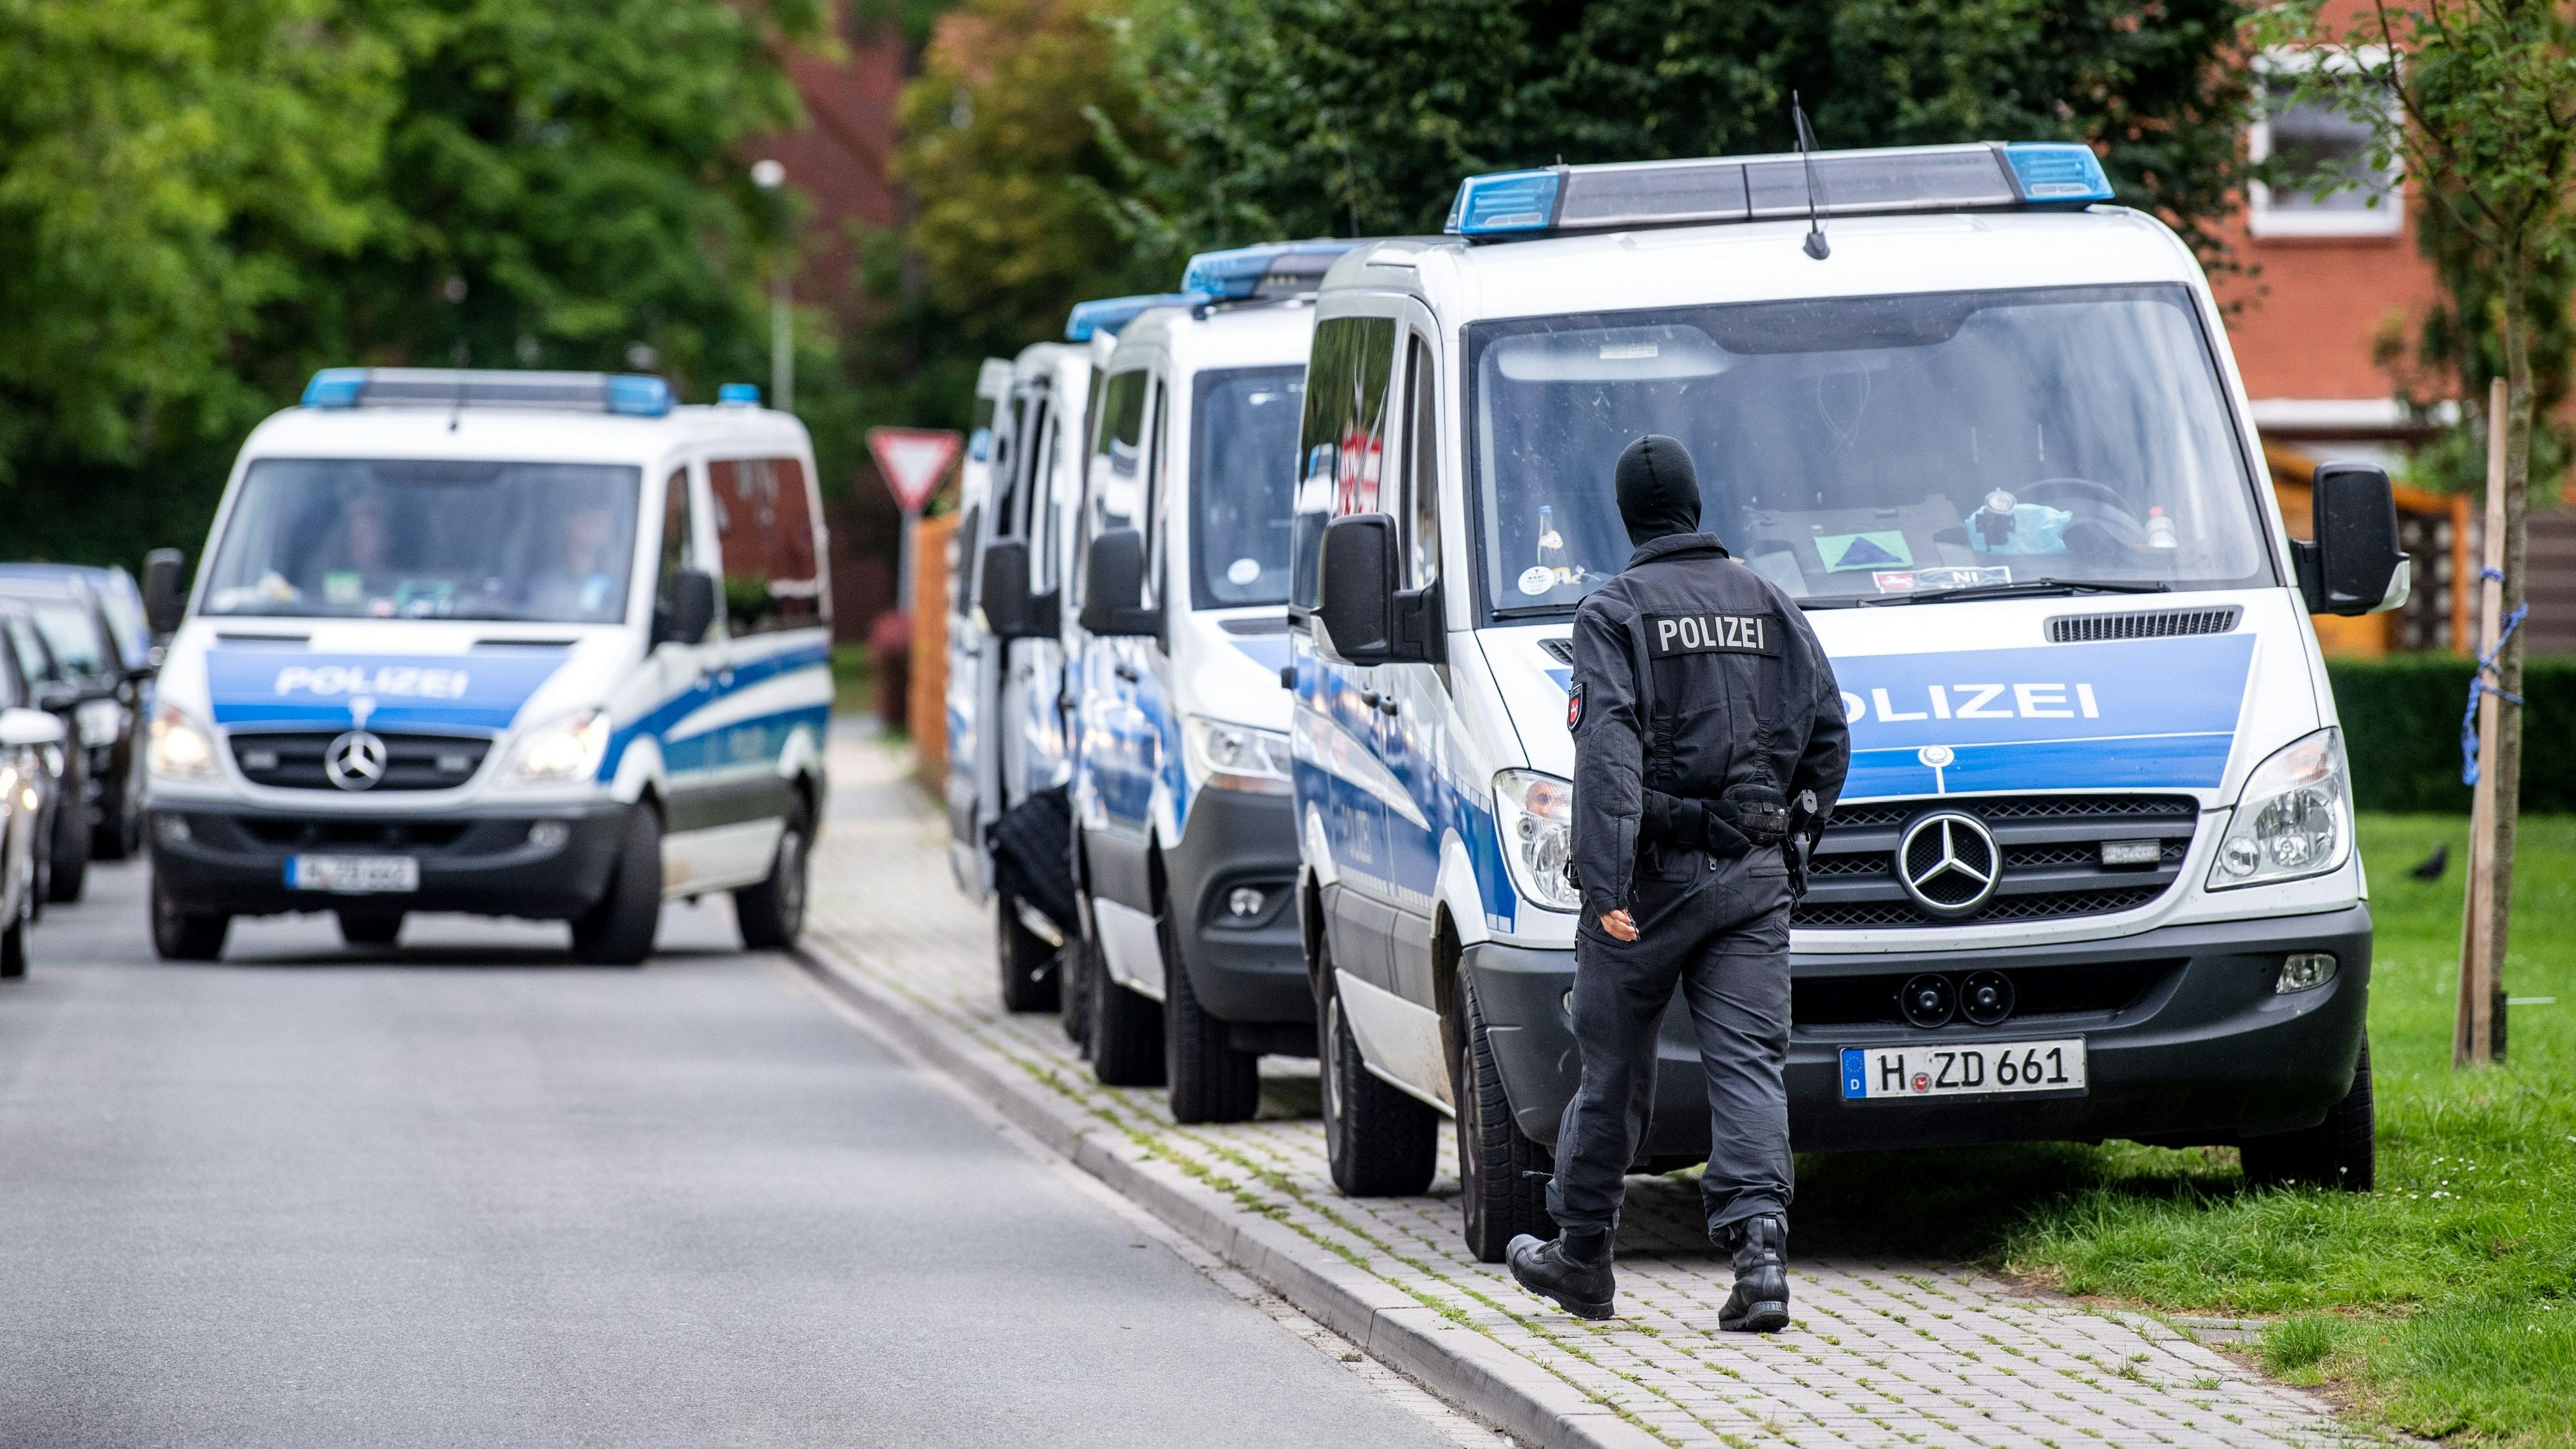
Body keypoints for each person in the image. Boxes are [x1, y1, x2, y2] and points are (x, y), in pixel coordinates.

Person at [1507, 434, 1849, 1331]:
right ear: (1696, 506)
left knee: (1613, 1068)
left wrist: (1608, 883)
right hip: (1753, 883)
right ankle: (1762, 1261)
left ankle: (1583, 1260)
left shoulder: (1612, 612)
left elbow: (1608, 753)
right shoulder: (1771, 603)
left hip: (1649, 884)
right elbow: (1829, 738)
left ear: (1627, 516)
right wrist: (1793, 850)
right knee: (1748, 1066)